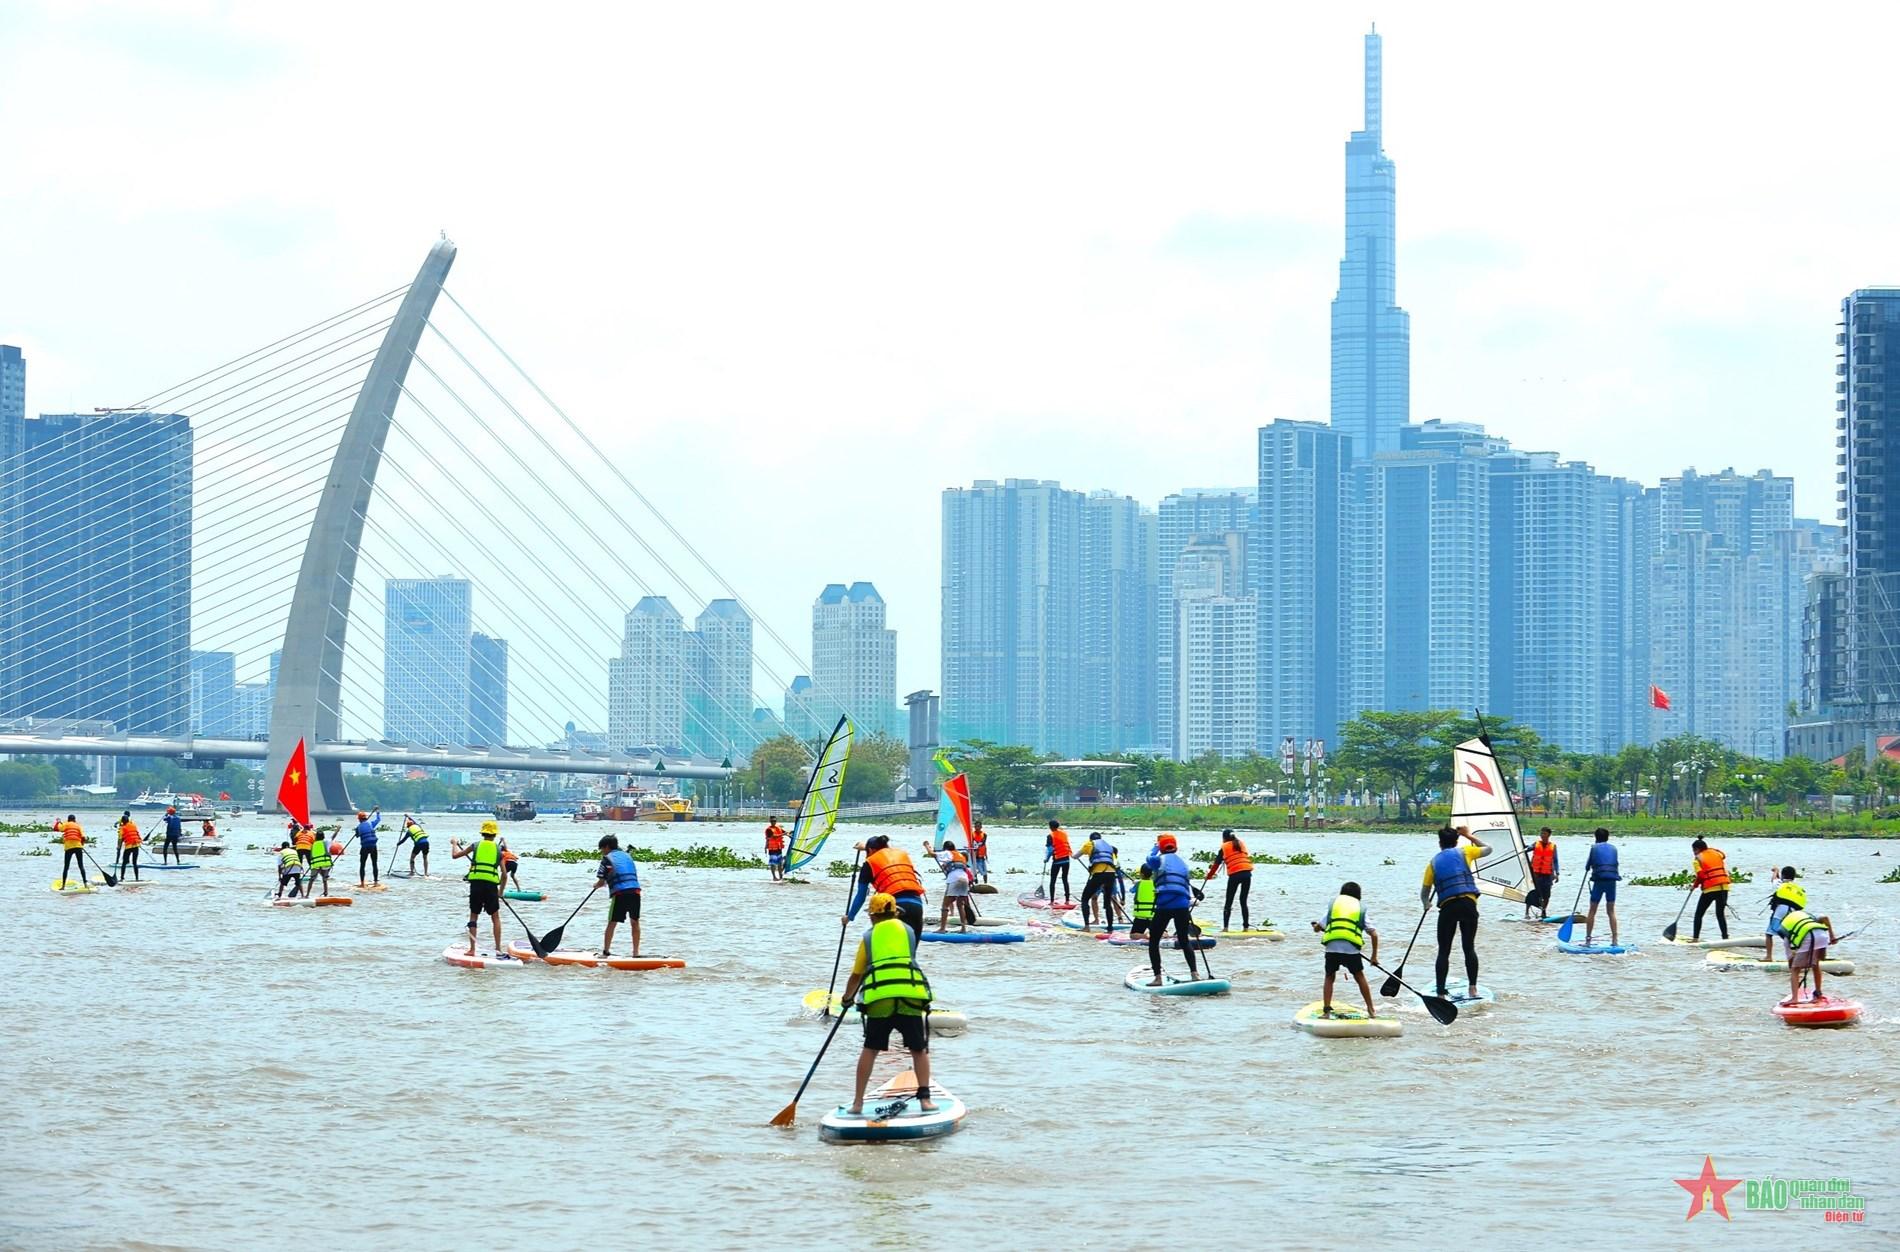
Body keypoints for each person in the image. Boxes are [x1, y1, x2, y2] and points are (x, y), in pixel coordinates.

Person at [838, 893, 937, 1117]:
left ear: (872, 916)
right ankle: (925, 1101)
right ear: (895, 912)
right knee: (918, 1050)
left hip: (879, 1000)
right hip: (909, 996)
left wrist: (847, 998)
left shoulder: (868, 937)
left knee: (870, 1049)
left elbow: (857, 974)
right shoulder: (909, 931)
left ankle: (857, 1103)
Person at [1420, 826, 1490, 1000]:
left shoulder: (1433, 863)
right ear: (1456, 841)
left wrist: (1426, 904)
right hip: (1468, 904)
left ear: (1439, 843)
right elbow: (1489, 849)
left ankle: (1440, 994)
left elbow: (1424, 892)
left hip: (1448, 907)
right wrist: (1468, 835)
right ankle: (1473, 988)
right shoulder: (1465, 851)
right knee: (1469, 948)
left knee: (1444, 951)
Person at [1311, 881, 1380, 1019]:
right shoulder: (1360, 909)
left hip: (1332, 949)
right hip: (1351, 950)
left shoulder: (1334, 907)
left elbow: (1318, 927)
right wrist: (1374, 957)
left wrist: (1315, 927)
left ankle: (1326, 1012)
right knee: (1359, 977)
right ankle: (1371, 1010)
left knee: (1329, 977)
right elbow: (1374, 934)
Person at [1142, 834, 1203, 986]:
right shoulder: (1183, 863)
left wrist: (1156, 846)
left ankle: (1157, 978)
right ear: (1176, 848)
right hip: (1182, 906)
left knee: (1154, 941)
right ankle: (1195, 974)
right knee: (1184, 940)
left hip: (1164, 906)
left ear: (1162, 848)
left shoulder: (1158, 860)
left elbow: (1149, 858)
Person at [844, 834, 927, 937]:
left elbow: (861, 896)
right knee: (910, 951)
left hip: (894, 907)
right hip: (916, 904)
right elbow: (884, 852)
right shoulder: (901, 854)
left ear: (870, 850)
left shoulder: (869, 864)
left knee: (889, 949)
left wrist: (849, 917)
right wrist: (866, 847)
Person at [452, 821, 507, 957]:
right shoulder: (498, 850)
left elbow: (455, 856)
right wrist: (500, 893)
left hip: (476, 885)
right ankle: (498, 949)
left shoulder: (475, 845)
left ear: (482, 833)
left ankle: (472, 950)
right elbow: (504, 875)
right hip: (491, 886)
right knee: (495, 917)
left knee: (473, 915)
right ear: (494, 834)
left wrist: (454, 844)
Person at [1777, 899, 1838, 1003]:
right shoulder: (1807, 916)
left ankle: (1794, 998)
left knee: (1795, 969)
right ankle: (1818, 993)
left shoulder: (1785, 929)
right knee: (1815, 964)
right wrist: (1832, 936)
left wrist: (1795, 964)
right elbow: (1825, 918)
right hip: (1822, 936)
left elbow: (1791, 961)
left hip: (1808, 938)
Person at [594, 834, 643, 957]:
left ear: (606, 847)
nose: (601, 852)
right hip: (635, 892)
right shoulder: (627, 856)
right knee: (635, 922)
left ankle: (605, 951)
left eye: (602, 849)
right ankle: (636, 953)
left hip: (620, 894)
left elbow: (601, 881)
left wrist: (596, 885)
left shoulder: (606, 859)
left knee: (612, 922)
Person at [1202, 829, 1254, 931]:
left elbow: (1216, 864)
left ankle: (1225, 928)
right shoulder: (1240, 844)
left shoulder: (1224, 847)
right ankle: (1246, 927)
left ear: (1224, 838)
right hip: (1247, 874)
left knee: (1228, 902)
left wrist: (1209, 876)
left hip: (1235, 875)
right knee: (1243, 901)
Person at [1073, 832, 1120, 933]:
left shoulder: (1089, 844)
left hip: (1098, 874)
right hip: (1111, 875)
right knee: (1107, 903)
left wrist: (1072, 855)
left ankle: (1086, 927)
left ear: (1091, 839)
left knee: (1084, 899)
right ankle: (1110, 929)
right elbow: (1115, 863)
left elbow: (1076, 856)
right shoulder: (1109, 847)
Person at [1581, 827, 1620, 947]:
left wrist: (1589, 867)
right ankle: (1614, 940)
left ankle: (1588, 939)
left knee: (1592, 910)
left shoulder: (1594, 848)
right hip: (1612, 881)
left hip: (1599, 881)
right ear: (1607, 837)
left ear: (1596, 837)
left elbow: (1587, 866)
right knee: (1611, 911)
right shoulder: (1614, 848)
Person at [924, 838, 973, 932]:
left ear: (946, 848)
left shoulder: (948, 853)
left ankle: (942, 928)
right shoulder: (960, 855)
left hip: (954, 880)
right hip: (965, 879)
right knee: (960, 904)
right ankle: (963, 928)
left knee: (945, 905)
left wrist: (926, 845)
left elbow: (932, 854)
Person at [1689, 838, 1732, 940]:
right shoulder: (1716, 853)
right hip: (1724, 888)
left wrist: (1694, 886)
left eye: (1694, 850)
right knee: (1720, 914)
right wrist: (1709, 849)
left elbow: (1701, 876)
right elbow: (1723, 854)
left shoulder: (1697, 860)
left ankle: (1695, 938)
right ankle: (1725, 937)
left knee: (1699, 914)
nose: (1694, 853)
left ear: (1697, 849)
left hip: (1710, 889)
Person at [1765, 867, 1806, 962]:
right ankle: (1796, 954)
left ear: (1783, 875)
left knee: (1769, 934)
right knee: (1789, 935)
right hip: (1793, 913)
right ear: (1794, 877)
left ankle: (1768, 957)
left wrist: (1776, 871)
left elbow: (1774, 880)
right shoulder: (1797, 888)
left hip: (1780, 910)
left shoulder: (1780, 884)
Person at [1527, 827, 1559, 918]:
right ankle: (1527, 913)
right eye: (1541, 833)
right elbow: (1529, 848)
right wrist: (1525, 847)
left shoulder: (1553, 846)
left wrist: (1557, 873)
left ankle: (1543, 912)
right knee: (1532, 893)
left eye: (1544, 834)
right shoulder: (1536, 844)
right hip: (1536, 874)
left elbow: (1555, 861)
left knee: (1546, 895)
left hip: (1547, 874)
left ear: (1549, 835)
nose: (1542, 835)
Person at [1044, 819, 1073, 903]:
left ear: (1050, 827)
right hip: (1067, 859)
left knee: (1053, 880)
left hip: (1057, 860)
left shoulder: (1050, 836)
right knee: (1065, 879)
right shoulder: (1064, 833)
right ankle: (1067, 900)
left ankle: (1052, 901)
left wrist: (1046, 859)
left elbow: (1050, 850)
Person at [56, 815, 88, 887]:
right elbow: (83, 837)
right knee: (81, 866)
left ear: (68, 820)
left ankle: (63, 886)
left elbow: (60, 829)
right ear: (74, 820)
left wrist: (58, 822)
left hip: (69, 847)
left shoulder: (66, 824)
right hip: (78, 847)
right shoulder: (78, 826)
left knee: (66, 867)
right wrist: (82, 845)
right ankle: (85, 884)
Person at [353, 807, 382, 886]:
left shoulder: (359, 827)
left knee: (362, 865)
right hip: (373, 846)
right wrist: (378, 812)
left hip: (365, 847)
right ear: (365, 818)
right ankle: (376, 882)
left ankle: (362, 883)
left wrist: (356, 830)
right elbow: (378, 819)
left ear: (359, 819)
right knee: (374, 863)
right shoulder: (371, 824)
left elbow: (357, 835)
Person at [1129, 864, 1155, 939]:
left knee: (1132, 935)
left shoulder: (1138, 884)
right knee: (1161, 931)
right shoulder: (1155, 884)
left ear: (1141, 874)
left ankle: (1145, 936)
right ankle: (1163, 934)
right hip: (1153, 916)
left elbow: (1131, 890)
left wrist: (1136, 883)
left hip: (1140, 916)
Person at [306, 826, 334, 897]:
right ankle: (326, 893)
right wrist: (337, 830)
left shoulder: (313, 845)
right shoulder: (326, 842)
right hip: (325, 864)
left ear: (316, 837)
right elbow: (333, 837)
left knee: (311, 880)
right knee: (324, 879)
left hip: (316, 865)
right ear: (323, 837)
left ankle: (307, 894)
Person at [116, 812, 142, 881]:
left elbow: (120, 839)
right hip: (136, 845)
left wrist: (118, 847)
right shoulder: (134, 825)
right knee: (134, 863)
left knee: (124, 862)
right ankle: (137, 879)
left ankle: (122, 878)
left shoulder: (122, 828)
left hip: (129, 846)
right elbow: (136, 834)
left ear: (122, 822)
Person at [764, 817, 788, 882]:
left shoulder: (778, 828)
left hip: (778, 848)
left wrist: (790, 833)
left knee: (780, 863)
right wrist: (784, 834)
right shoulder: (769, 830)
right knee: (773, 863)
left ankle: (780, 877)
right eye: (772, 821)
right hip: (772, 849)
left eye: (774, 821)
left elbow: (785, 832)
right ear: (770, 821)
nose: (773, 822)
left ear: (776, 821)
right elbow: (775, 836)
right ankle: (774, 877)